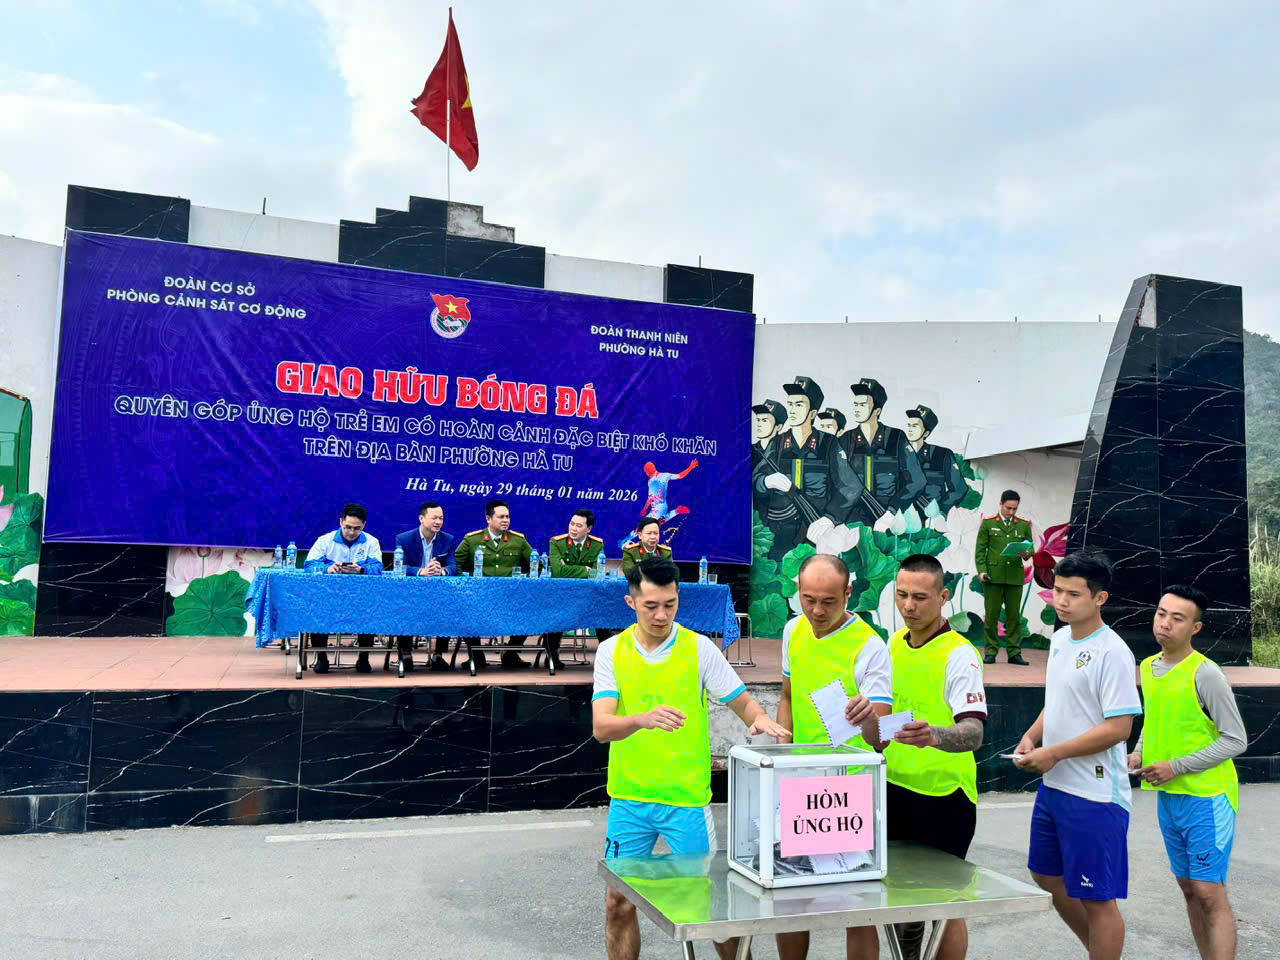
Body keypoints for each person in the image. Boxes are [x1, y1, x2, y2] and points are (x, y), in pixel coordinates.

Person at [593, 556, 789, 960]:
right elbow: (602, 727)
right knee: (618, 902)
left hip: (685, 801)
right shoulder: (612, 652)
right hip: (629, 799)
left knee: (712, 911)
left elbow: (742, 702)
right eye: (651, 606)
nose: (661, 615)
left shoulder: (699, 649)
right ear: (631, 603)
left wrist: (760, 719)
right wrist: (642, 719)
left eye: (670, 604)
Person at [1014, 551, 1140, 960]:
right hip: (1056, 787)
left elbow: (1119, 728)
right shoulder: (1060, 640)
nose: (1062, 601)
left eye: (1073, 594)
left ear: (1099, 598)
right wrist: (1031, 736)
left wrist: (1055, 753)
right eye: (1057, 591)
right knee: (1045, 875)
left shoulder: (1113, 652)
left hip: (1096, 795)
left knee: (1097, 897)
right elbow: (1058, 702)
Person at [862, 552, 986, 960]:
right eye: (902, 595)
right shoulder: (892, 645)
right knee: (900, 900)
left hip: (944, 798)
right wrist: (863, 721)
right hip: (895, 788)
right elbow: (885, 725)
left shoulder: (960, 654)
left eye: (920, 597)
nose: (909, 606)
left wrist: (934, 735)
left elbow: (974, 733)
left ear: (943, 597)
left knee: (945, 907)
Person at [775, 553, 893, 960]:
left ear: (848, 593)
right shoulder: (793, 630)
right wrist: (783, 752)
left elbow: (882, 738)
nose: (817, 611)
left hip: (850, 789)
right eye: (808, 599)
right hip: (799, 780)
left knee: (855, 905)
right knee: (789, 896)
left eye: (828, 601)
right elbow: (788, 696)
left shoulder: (870, 646)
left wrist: (868, 718)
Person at [1128, 584, 1245, 960]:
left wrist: (1176, 766)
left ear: (1195, 628)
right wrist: (1139, 752)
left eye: (1177, 619)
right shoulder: (1148, 667)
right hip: (1170, 797)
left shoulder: (1206, 673)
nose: (1165, 623)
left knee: (1209, 891)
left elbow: (1236, 739)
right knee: (1189, 888)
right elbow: (1155, 718)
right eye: (1161, 613)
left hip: (1208, 797)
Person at [758, 376, 853, 560]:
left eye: (799, 405)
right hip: (778, 539)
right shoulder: (777, 443)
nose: (792, 410)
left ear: (812, 413)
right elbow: (754, 479)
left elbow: (850, 486)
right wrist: (766, 481)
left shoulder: (828, 444)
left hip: (816, 536)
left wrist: (830, 518)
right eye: (790, 404)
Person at [302, 503, 384, 674]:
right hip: (328, 596)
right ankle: (321, 657)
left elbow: (378, 568)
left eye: (357, 528)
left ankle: (363, 658)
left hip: (360, 596)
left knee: (368, 611)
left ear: (364, 525)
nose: (352, 532)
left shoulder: (372, 542)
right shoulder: (325, 540)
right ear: (340, 522)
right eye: (347, 527)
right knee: (318, 611)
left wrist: (361, 570)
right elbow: (309, 565)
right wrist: (327, 569)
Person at [835, 377, 926, 523]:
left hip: (887, 519)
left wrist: (893, 511)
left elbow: (917, 480)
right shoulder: (846, 439)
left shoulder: (896, 438)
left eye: (863, 405)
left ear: (877, 410)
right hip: (852, 520)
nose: (857, 409)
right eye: (856, 404)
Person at [455, 500, 533, 670]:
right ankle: (476, 656)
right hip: (479, 597)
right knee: (462, 610)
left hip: (510, 597)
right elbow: (456, 564)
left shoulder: (518, 540)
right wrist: (465, 584)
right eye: (501, 517)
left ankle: (511, 653)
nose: (505, 520)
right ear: (488, 519)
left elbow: (536, 565)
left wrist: (523, 581)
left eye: (507, 517)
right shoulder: (472, 540)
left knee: (532, 610)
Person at [544, 508, 615, 670]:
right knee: (555, 613)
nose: (573, 529)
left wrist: (572, 569)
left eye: (579, 526)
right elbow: (558, 572)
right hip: (563, 595)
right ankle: (552, 655)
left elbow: (597, 572)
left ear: (588, 529)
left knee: (602, 613)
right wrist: (586, 570)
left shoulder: (596, 545)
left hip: (587, 596)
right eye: (572, 524)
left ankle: (608, 659)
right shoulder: (557, 542)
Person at [393, 501, 457, 672]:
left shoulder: (448, 539)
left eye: (441, 518)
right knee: (403, 606)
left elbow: (453, 566)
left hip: (438, 591)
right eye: (434, 518)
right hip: (411, 591)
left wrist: (441, 571)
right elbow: (399, 567)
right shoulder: (404, 539)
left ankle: (438, 655)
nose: (438, 522)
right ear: (421, 518)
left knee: (449, 606)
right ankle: (405, 654)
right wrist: (422, 572)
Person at [974, 490, 1033, 665]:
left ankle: (1014, 653)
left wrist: (1027, 553)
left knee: (1014, 617)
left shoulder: (1023, 525)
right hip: (993, 577)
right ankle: (990, 652)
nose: (1011, 512)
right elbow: (980, 551)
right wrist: (982, 571)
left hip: (1014, 577)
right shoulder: (988, 523)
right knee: (991, 617)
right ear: (1000, 504)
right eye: (1008, 508)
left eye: (1015, 509)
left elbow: (1030, 547)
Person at [904, 404, 967, 515]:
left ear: (926, 433)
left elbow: (959, 488)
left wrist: (940, 510)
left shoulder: (942, 455)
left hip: (932, 519)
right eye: (909, 425)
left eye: (915, 426)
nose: (910, 430)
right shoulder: (900, 454)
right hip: (903, 517)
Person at [751, 399, 787, 518]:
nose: (759, 424)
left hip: (779, 516)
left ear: (778, 427)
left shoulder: (787, 453)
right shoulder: (749, 451)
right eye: (758, 420)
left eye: (765, 420)